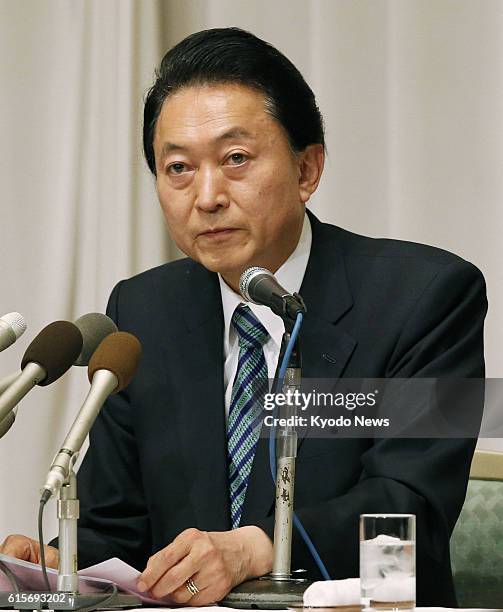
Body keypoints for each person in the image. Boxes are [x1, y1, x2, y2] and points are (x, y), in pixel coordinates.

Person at [1, 27, 487, 607]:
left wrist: (256, 549)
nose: (206, 196)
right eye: (178, 168)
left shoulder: (426, 296)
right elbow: (121, 528)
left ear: (307, 170)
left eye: (235, 159)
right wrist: (63, 562)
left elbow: (412, 509)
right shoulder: (144, 312)